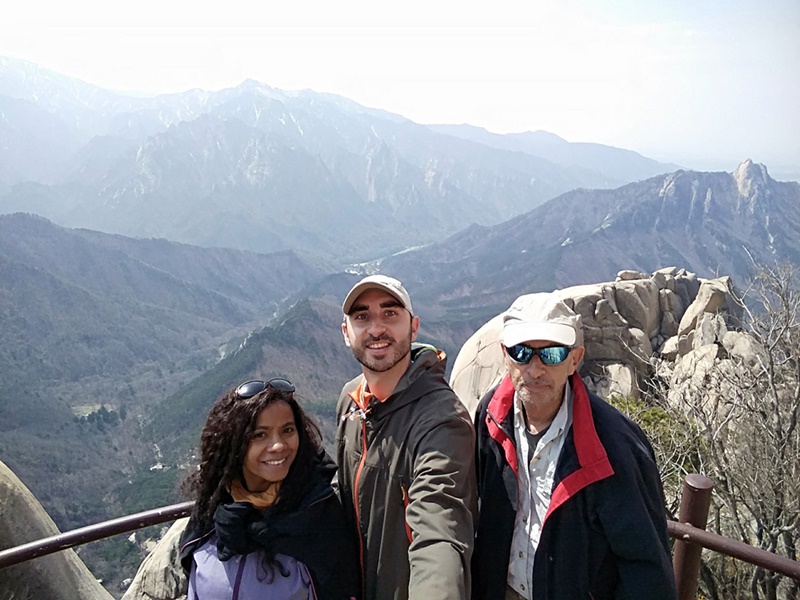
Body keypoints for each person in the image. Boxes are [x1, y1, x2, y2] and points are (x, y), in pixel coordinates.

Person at [472, 292, 677, 600]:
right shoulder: (491, 417)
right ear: (505, 355)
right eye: (521, 352)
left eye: (552, 354)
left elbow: (645, 567)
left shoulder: (614, 446)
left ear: (574, 360)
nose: (535, 368)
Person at [336, 274, 478, 600]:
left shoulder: (441, 421)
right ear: (347, 333)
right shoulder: (351, 400)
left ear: (413, 327)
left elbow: (439, 525)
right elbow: (343, 490)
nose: (376, 328)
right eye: (362, 317)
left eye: (390, 314)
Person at [179, 377, 360, 599]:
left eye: (287, 430)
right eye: (259, 435)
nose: (278, 445)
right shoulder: (212, 511)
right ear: (234, 443)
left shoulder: (319, 518)